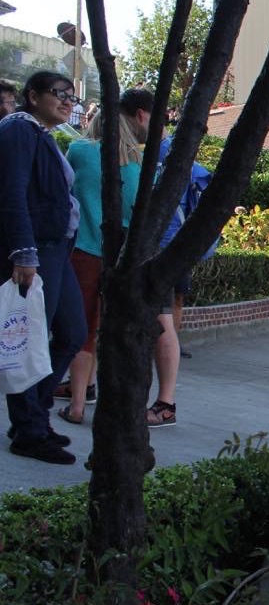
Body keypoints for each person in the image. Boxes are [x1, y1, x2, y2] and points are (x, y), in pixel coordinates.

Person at [0, 71, 87, 464]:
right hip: (36, 252)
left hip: (57, 250)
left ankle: (33, 418)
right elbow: (11, 191)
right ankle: (30, 430)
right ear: (32, 96)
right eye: (59, 94)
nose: (68, 102)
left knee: (73, 333)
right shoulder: (19, 129)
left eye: (72, 96)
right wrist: (23, 252)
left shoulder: (43, 135)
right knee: (30, 340)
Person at [54, 106, 143, 424]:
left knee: (81, 331)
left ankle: (77, 404)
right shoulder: (136, 163)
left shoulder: (78, 150)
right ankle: (101, 398)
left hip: (82, 250)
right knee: (106, 329)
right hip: (118, 257)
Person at [145, 106, 216, 426]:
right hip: (176, 251)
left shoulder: (154, 156)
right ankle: (165, 401)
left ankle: (164, 402)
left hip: (159, 250)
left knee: (161, 321)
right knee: (168, 314)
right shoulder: (190, 164)